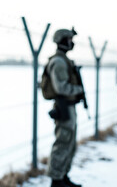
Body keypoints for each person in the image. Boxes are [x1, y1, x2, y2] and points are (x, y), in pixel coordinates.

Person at [43, 28, 84, 187]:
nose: (71, 42)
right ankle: (56, 179)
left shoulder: (64, 60)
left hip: (69, 106)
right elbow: (61, 87)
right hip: (63, 106)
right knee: (63, 141)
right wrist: (78, 90)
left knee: (70, 143)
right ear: (62, 40)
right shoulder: (59, 61)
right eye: (69, 39)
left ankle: (63, 176)